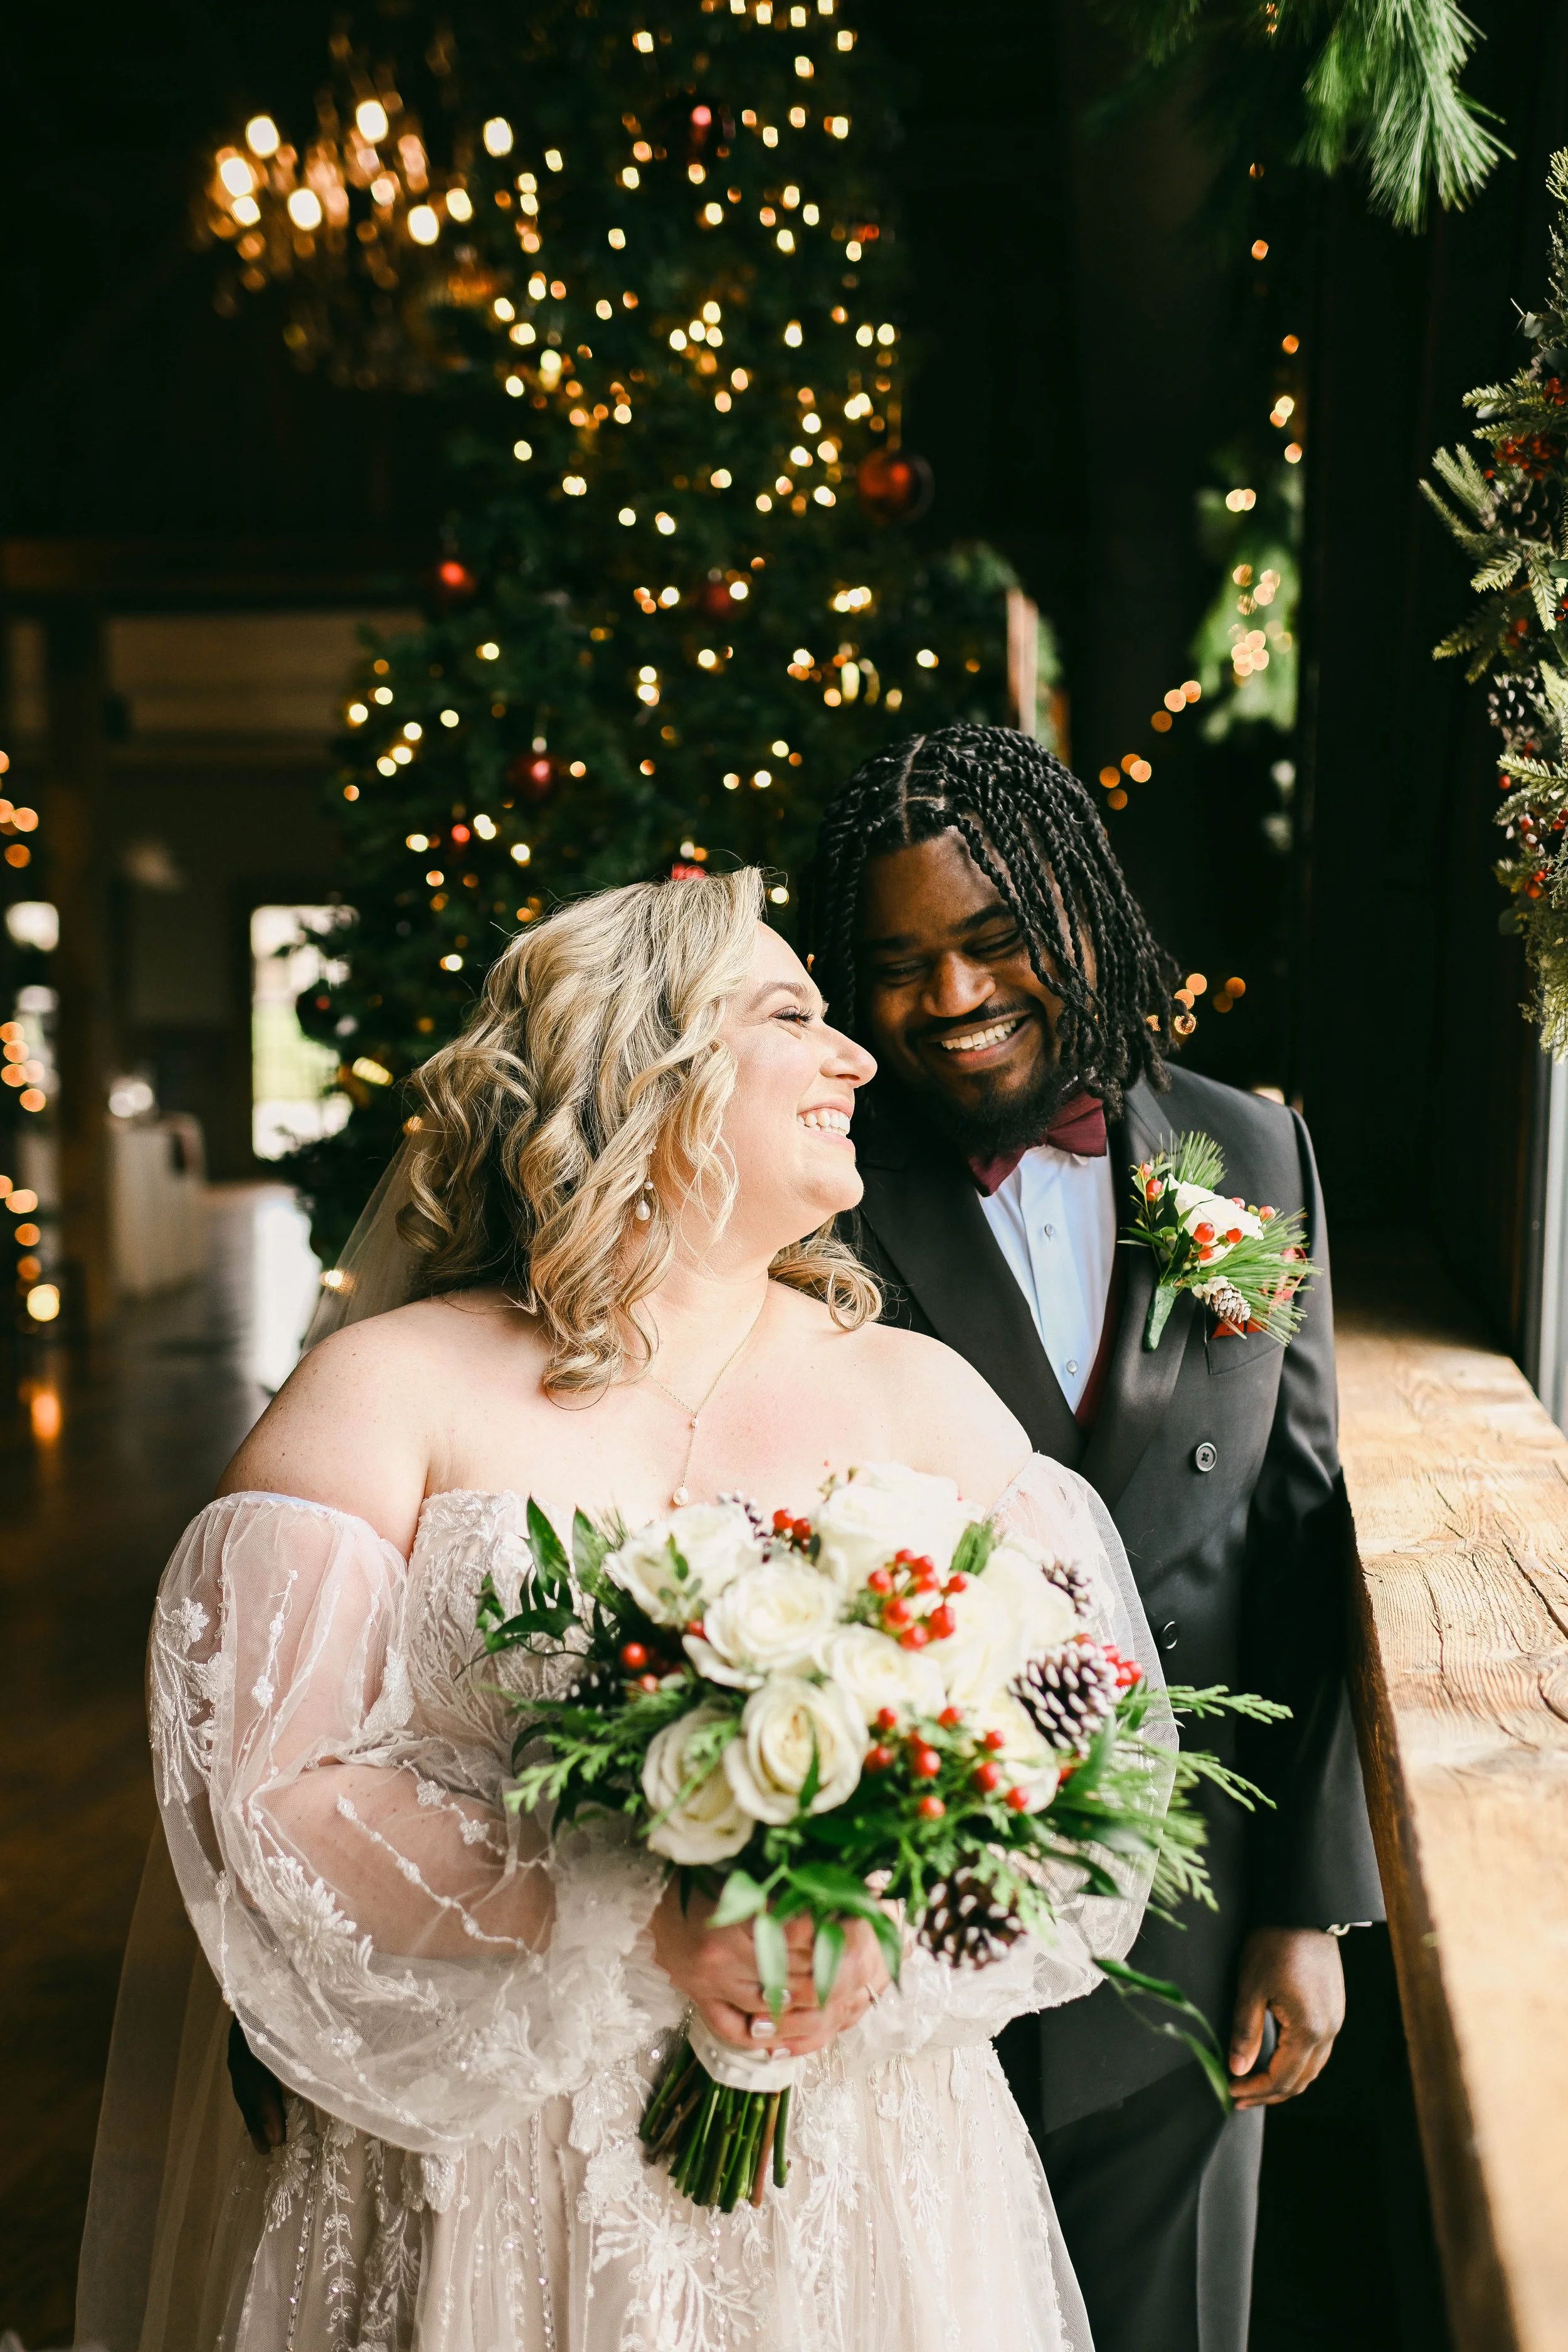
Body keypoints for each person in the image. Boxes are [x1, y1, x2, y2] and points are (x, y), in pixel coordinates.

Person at [78, 868, 1165, 2352]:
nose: (854, 1056)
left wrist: (872, 1917)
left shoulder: (924, 1399)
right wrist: (640, 1915)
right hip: (490, 2169)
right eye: (794, 1013)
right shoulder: (388, 1390)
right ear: (640, 1060)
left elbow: (1086, 1763)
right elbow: (267, 1798)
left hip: (861, 2169)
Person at [802, 723, 1385, 2352]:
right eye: (900, 962)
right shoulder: (820, 1194)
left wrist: (1306, 1904)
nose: (953, 994)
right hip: (918, 1929)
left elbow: (1294, 1530)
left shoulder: (1241, 1152)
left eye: (993, 940)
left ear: (1078, 906)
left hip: (1192, 1931)